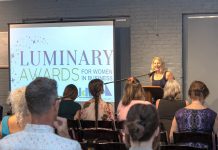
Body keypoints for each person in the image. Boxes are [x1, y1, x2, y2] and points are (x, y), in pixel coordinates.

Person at [0, 77, 81, 150]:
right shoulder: (70, 146)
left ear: (28, 105)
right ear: (56, 105)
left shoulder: (5, 144)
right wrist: (65, 136)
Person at [170, 80, 218, 148]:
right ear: (204, 95)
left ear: (190, 95)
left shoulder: (178, 114)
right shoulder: (212, 115)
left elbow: (172, 138)